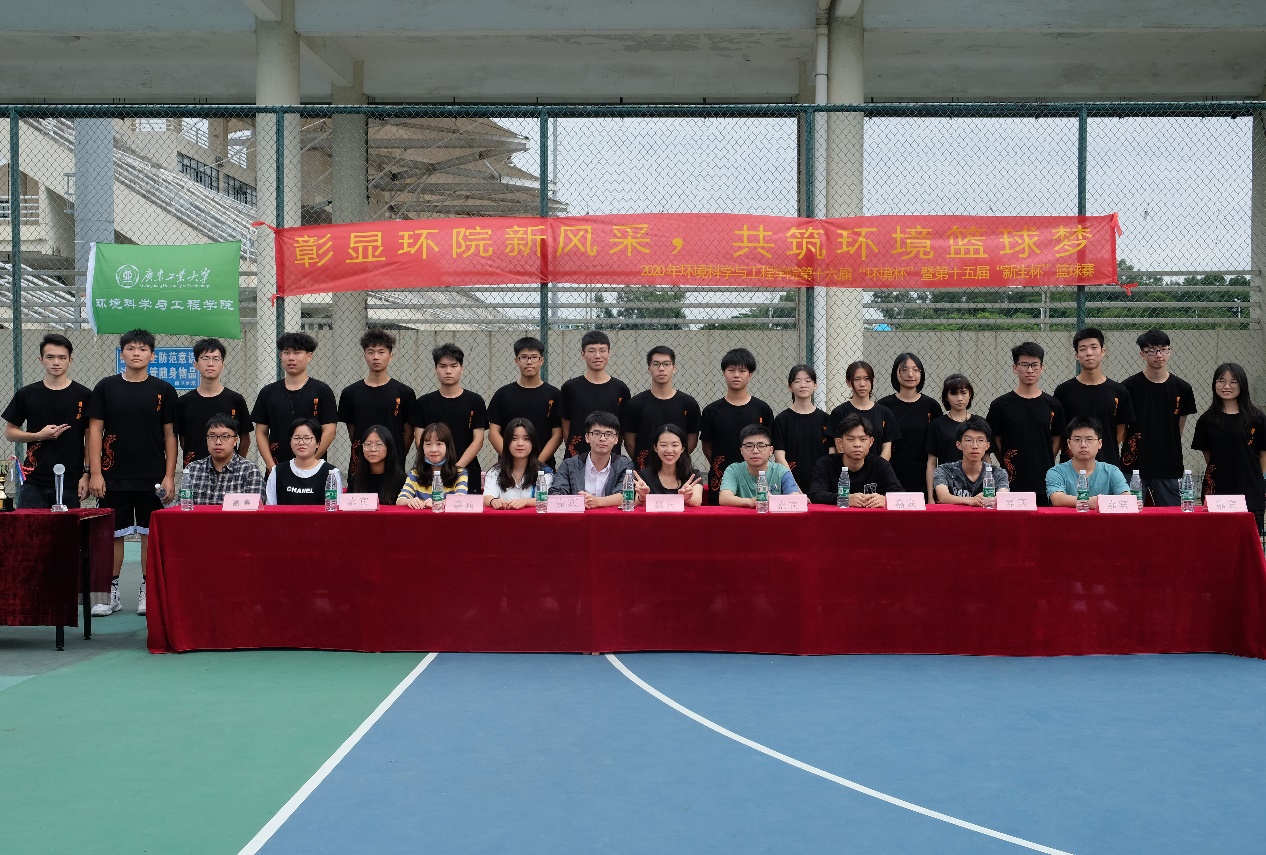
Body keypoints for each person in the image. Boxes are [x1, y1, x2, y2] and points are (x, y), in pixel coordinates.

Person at [86, 329, 177, 617]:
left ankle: (148, 591)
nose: (136, 353)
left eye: (142, 349)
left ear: (152, 355)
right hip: (112, 476)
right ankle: (109, 592)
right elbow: (94, 432)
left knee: (151, 535)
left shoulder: (164, 389)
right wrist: (95, 473)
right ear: (122, 353)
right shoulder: (106, 387)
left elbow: (170, 435)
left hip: (152, 477)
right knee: (112, 535)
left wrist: (169, 476)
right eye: (130, 348)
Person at [2, 333, 91, 509]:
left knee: (68, 527)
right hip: (34, 480)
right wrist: (38, 435)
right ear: (41, 359)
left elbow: (90, 438)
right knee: (30, 527)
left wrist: (87, 474)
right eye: (50, 357)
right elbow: (10, 433)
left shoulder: (84, 395)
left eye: (62, 357)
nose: (56, 362)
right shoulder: (27, 394)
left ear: (70, 360)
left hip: (71, 480)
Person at [1121, 330, 1197, 506]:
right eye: (1152, 350)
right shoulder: (1128, 387)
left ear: (1170, 351)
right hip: (1134, 466)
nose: (1158, 355)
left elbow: (1179, 429)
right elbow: (1123, 430)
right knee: (1130, 513)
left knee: (1171, 515)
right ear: (1142, 354)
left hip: (1168, 464)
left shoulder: (1183, 388)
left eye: (1163, 349)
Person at [986, 342, 1066, 505]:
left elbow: (1058, 437)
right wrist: (1006, 461)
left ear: (1042, 367)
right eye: (1024, 365)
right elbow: (996, 439)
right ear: (1015, 368)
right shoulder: (1000, 405)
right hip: (1012, 480)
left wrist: (1046, 457)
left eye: (1035, 365)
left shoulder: (1053, 405)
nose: (1030, 370)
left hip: (1044, 478)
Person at [1193, 363, 1266, 533]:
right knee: (1216, 538)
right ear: (1214, 384)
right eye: (1221, 381)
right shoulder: (1206, 420)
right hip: (1217, 490)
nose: (1226, 386)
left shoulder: (1257, 418)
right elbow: (1208, 455)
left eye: (1233, 381)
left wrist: (1260, 481)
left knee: (1249, 540)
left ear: (1242, 385)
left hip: (1250, 488)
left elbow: (1263, 453)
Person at [252, 332, 338, 472]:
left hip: (313, 470)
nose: (291, 358)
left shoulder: (322, 390)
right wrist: (271, 466)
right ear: (281, 356)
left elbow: (330, 431)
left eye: (297, 353)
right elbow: (261, 432)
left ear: (309, 356)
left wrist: (311, 462)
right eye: (286, 353)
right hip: (277, 467)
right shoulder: (268, 392)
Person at [337, 329, 416, 481]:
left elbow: (408, 433)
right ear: (364, 356)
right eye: (370, 352)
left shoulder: (404, 392)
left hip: (394, 466)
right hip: (360, 465)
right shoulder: (350, 393)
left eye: (381, 352)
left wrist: (396, 453)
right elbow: (353, 432)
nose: (376, 357)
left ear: (390, 356)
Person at [1053, 327, 1135, 469]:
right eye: (1083, 349)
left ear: (1103, 351)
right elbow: (1059, 434)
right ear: (1076, 355)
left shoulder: (1119, 391)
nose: (1089, 353)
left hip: (1107, 465)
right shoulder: (1063, 392)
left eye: (1094, 347)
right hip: (1071, 469)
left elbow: (1119, 433)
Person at [700, 348, 774, 503]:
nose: (736, 375)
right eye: (731, 370)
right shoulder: (711, 411)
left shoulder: (762, 409)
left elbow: (768, 443)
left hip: (755, 478)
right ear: (723, 373)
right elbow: (707, 446)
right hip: (720, 478)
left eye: (742, 371)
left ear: (750, 374)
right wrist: (720, 466)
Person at [411, 343, 487, 493]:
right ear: (435, 369)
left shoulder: (475, 401)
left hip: (467, 471)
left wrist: (457, 468)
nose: (448, 371)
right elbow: (419, 439)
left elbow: (478, 440)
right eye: (442, 366)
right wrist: (436, 466)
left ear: (461, 368)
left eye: (453, 366)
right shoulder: (423, 403)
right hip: (431, 472)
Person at [486, 337, 563, 471]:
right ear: (516, 360)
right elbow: (493, 433)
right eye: (524, 357)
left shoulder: (554, 395)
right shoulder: (503, 394)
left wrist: (537, 463)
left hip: (542, 468)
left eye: (534, 357)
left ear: (541, 360)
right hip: (508, 468)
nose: (529, 362)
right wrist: (511, 460)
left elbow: (557, 434)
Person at [173, 337, 252, 467]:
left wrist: (236, 466)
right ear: (196, 364)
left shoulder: (235, 400)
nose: (210, 363)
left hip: (229, 471)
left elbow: (245, 439)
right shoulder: (184, 402)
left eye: (216, 359)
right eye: (205, 358)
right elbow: (183, 439)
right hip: (195, 470)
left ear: (222, 365)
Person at [623, 345, 701, 472]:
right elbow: (629, 441)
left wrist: (673, 459)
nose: (661, 368)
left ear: (674, 368)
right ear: (649, 368)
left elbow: (692, 439)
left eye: (666, 364)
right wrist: (643, 464)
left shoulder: (688, 403)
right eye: (656, 364)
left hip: (678, 471)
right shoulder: (635, 404)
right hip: (644, 472)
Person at [559, 330, 631, 459]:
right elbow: (566, 428)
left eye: (602, 351)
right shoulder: (570, 388)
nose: (597, 356)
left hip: (610, 460)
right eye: (591, 351)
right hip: (577, 458)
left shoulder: (620, 389)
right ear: (583, 354)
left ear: (609, 353)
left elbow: (621, 430)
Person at [878, 352, 942, 495]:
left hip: (922, 475)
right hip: (890, 474)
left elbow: (935, 446)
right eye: (904, 370)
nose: (910, 374)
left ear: (921, 373)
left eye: (915, 369)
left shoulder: (931, 406)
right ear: (895, 373)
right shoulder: (883, 405)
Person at [807, 414, 904, 507]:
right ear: (840, 442)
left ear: (871, 442)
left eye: (863, 439)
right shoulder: (826, 463)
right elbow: (815, 494)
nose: (857, 444)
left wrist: (885, 499)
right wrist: (844, 499)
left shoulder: (880, 464)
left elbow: (900, 494)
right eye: (850, 439)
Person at [548, 411, 633, 508]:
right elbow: (556, 493)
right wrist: (577, 502)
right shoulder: (569, 464)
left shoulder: (624, 465)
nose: (602, 439)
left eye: (608, 434)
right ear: (587, 437)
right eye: (597, 433)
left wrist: (597, 502)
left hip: (612, 517)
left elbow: (626, 494)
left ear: (616, 439)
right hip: (578, 516)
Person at [1045, 416, 1131, 508]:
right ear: (1069, 444)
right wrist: (1089, 502)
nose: (1083, 445)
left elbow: (1126, 498)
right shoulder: (1056, 472)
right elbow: (1056, 499)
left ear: (1100, 443)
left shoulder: (1112, 471)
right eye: (1077, 440)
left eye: (1089, 439)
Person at [772, 364, 830, 493]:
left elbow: (831, 455)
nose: (803, 385)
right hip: (791, 484)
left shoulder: (825, 419)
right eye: (797, 381)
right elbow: (779, 457)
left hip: (822, 483)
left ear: (815, 385)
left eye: (808, 381)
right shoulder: (782, 420)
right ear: (790, 386)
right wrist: (793, 487)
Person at [182, 415, 265, 505]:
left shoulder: (250, 471)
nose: (218, 442)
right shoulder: (193, 469)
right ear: (207, 439)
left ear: (235, 440)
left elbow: (254, 509)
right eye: (212, 436)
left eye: (225, 436)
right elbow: (182, 506)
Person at [827, 360, 899, 460]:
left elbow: (887, 448)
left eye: (867, 379)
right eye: (857, 379)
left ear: (873, 380)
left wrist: (878, 468)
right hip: (848, 468)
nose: (862, 384)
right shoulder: (839, 413)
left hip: (878, 468)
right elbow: (839, 448)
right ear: (849, 382)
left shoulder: (885, 413)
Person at [932, 416, 1011, 506]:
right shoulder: (945, 470)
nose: (975, 446)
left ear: (987, 446)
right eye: (969, 440)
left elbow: (1003, 496)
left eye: (980, 440)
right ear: (959, 445)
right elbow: (943, 497)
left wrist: (993, 500)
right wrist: (970, 500)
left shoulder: (998, 473)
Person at [718, 424, 798, 507]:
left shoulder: (781, 471)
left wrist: (772, 500)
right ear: (741, 451)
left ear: (771, 450)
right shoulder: (733, 470)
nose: (755, 451)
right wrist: (751, 502)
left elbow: (795, 498)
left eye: (761, 446)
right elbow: (724, 498)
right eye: (749, 446)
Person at [265, 418, 341, 505]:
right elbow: (270, 506)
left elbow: (334, 507)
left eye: (307, 438)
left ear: (318, 443)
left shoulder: (331, 473)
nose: (301, 442)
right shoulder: (278, 471)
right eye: (296, 438)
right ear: (290, 442)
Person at [925, 373, 974, 499]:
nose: (959, 398)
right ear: (946, 397)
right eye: (954, 394)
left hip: (975, 489)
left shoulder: (979, 423)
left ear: (970, 394)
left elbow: (986, 459)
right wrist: (930, 497)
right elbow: (931, 463)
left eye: (963, 393)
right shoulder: (937, 425)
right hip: (946, 488)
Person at [397, 422, 469, 509]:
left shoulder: (460, 473)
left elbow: (461, 498)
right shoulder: (415, 474)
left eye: (439, 444)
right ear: (422, 448)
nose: (433, 449)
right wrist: (409, 501)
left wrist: (440, 502)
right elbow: (400, 500)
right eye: (428, 444)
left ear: (448, 447)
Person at [633, 423, 704, 506]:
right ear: (655, 448)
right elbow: (637, 503)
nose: (669, 450)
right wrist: (642, 497)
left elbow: (697, 501)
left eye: (675, 445)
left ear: (682, 448)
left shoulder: (693, 475)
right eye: (663, 445)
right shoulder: (644, 475)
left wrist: (687, 499)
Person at [483, 418, 542, 509]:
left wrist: (525, 502)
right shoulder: (494, 471)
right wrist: (493, 501)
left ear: (533, 443)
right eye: (514, 439)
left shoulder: (543, 471)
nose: (520, 443)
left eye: (526, 439)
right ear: (507, 443)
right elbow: (487, 497)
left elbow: (545, 499)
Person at [349, 425, 406, 506]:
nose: (372, 449)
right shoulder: (355, 480)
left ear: (389, 447)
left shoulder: (401, 480)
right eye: (368, 444)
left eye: (379, 444)